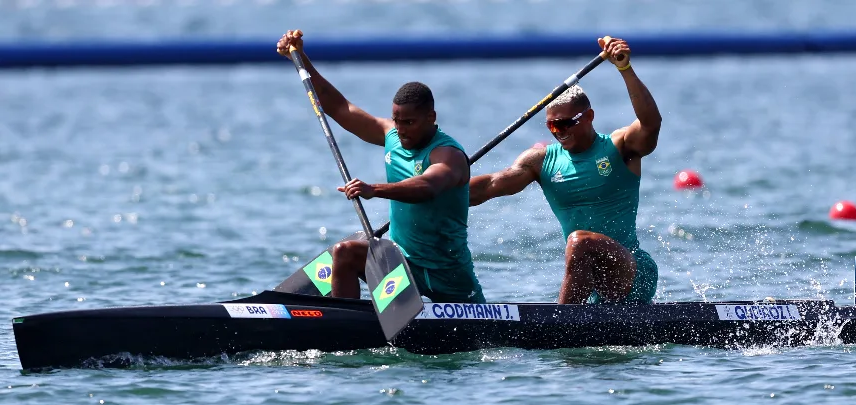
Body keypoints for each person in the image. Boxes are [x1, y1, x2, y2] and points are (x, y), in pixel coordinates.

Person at [277, 30, 485, 304]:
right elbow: (339, 106)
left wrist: (374, 189)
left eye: (408, 122)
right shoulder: (392, 135)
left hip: (448, 274)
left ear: (431, 117)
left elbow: (428, 186)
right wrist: (300, 58)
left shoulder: (448, 154)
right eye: (396, 121)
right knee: (344, 253)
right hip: (403, 265)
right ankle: (346, 325)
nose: (400, 130)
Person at [469, 36, 660, 305]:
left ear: (589, 116)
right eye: (552, 126)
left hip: (634, 272)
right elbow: (490, 185)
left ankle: (559, 326)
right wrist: (438, 192)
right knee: (579, 244)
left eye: (566, 123)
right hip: (593, 284)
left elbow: (650, 124)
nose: (559, 132)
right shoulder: (540, 161)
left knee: (579, 242)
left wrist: (625, 69)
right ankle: (566, 326)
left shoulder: (620, 147)